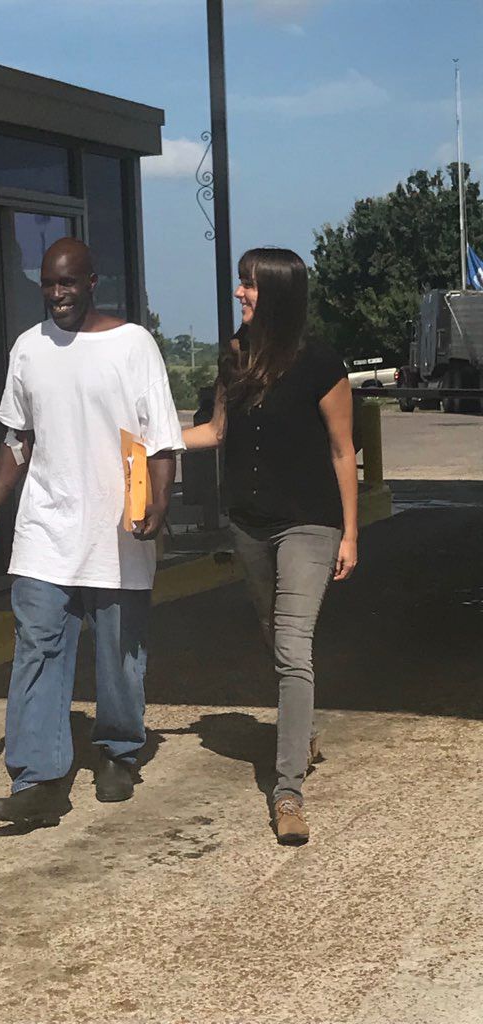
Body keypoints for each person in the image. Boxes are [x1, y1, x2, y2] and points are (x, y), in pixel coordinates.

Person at [0, 237, 183, 827]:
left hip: (118, 532)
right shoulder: (29, 348)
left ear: (91, 282)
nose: (56, 294)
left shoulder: (132, 345)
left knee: (119, 655)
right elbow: (19, 439)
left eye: (67, 283)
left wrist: (160, 504)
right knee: (37, 648)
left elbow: (161, 437)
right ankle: (37, 776)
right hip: (45, 528)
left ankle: (117, 750)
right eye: (48, 284)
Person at [183, 247, 357, 845]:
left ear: (277, 293)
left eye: (249, 285)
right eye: (240, 284)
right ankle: (300, 729)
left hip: (309, 523)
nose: (239, 294)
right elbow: (215, 430)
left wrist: (351, 532)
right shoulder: (234, 358)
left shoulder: (321, 365)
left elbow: (342, 452)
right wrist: (147, 437)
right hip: (250, 522)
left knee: (291, 642)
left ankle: (288, 792)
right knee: (270, 630)